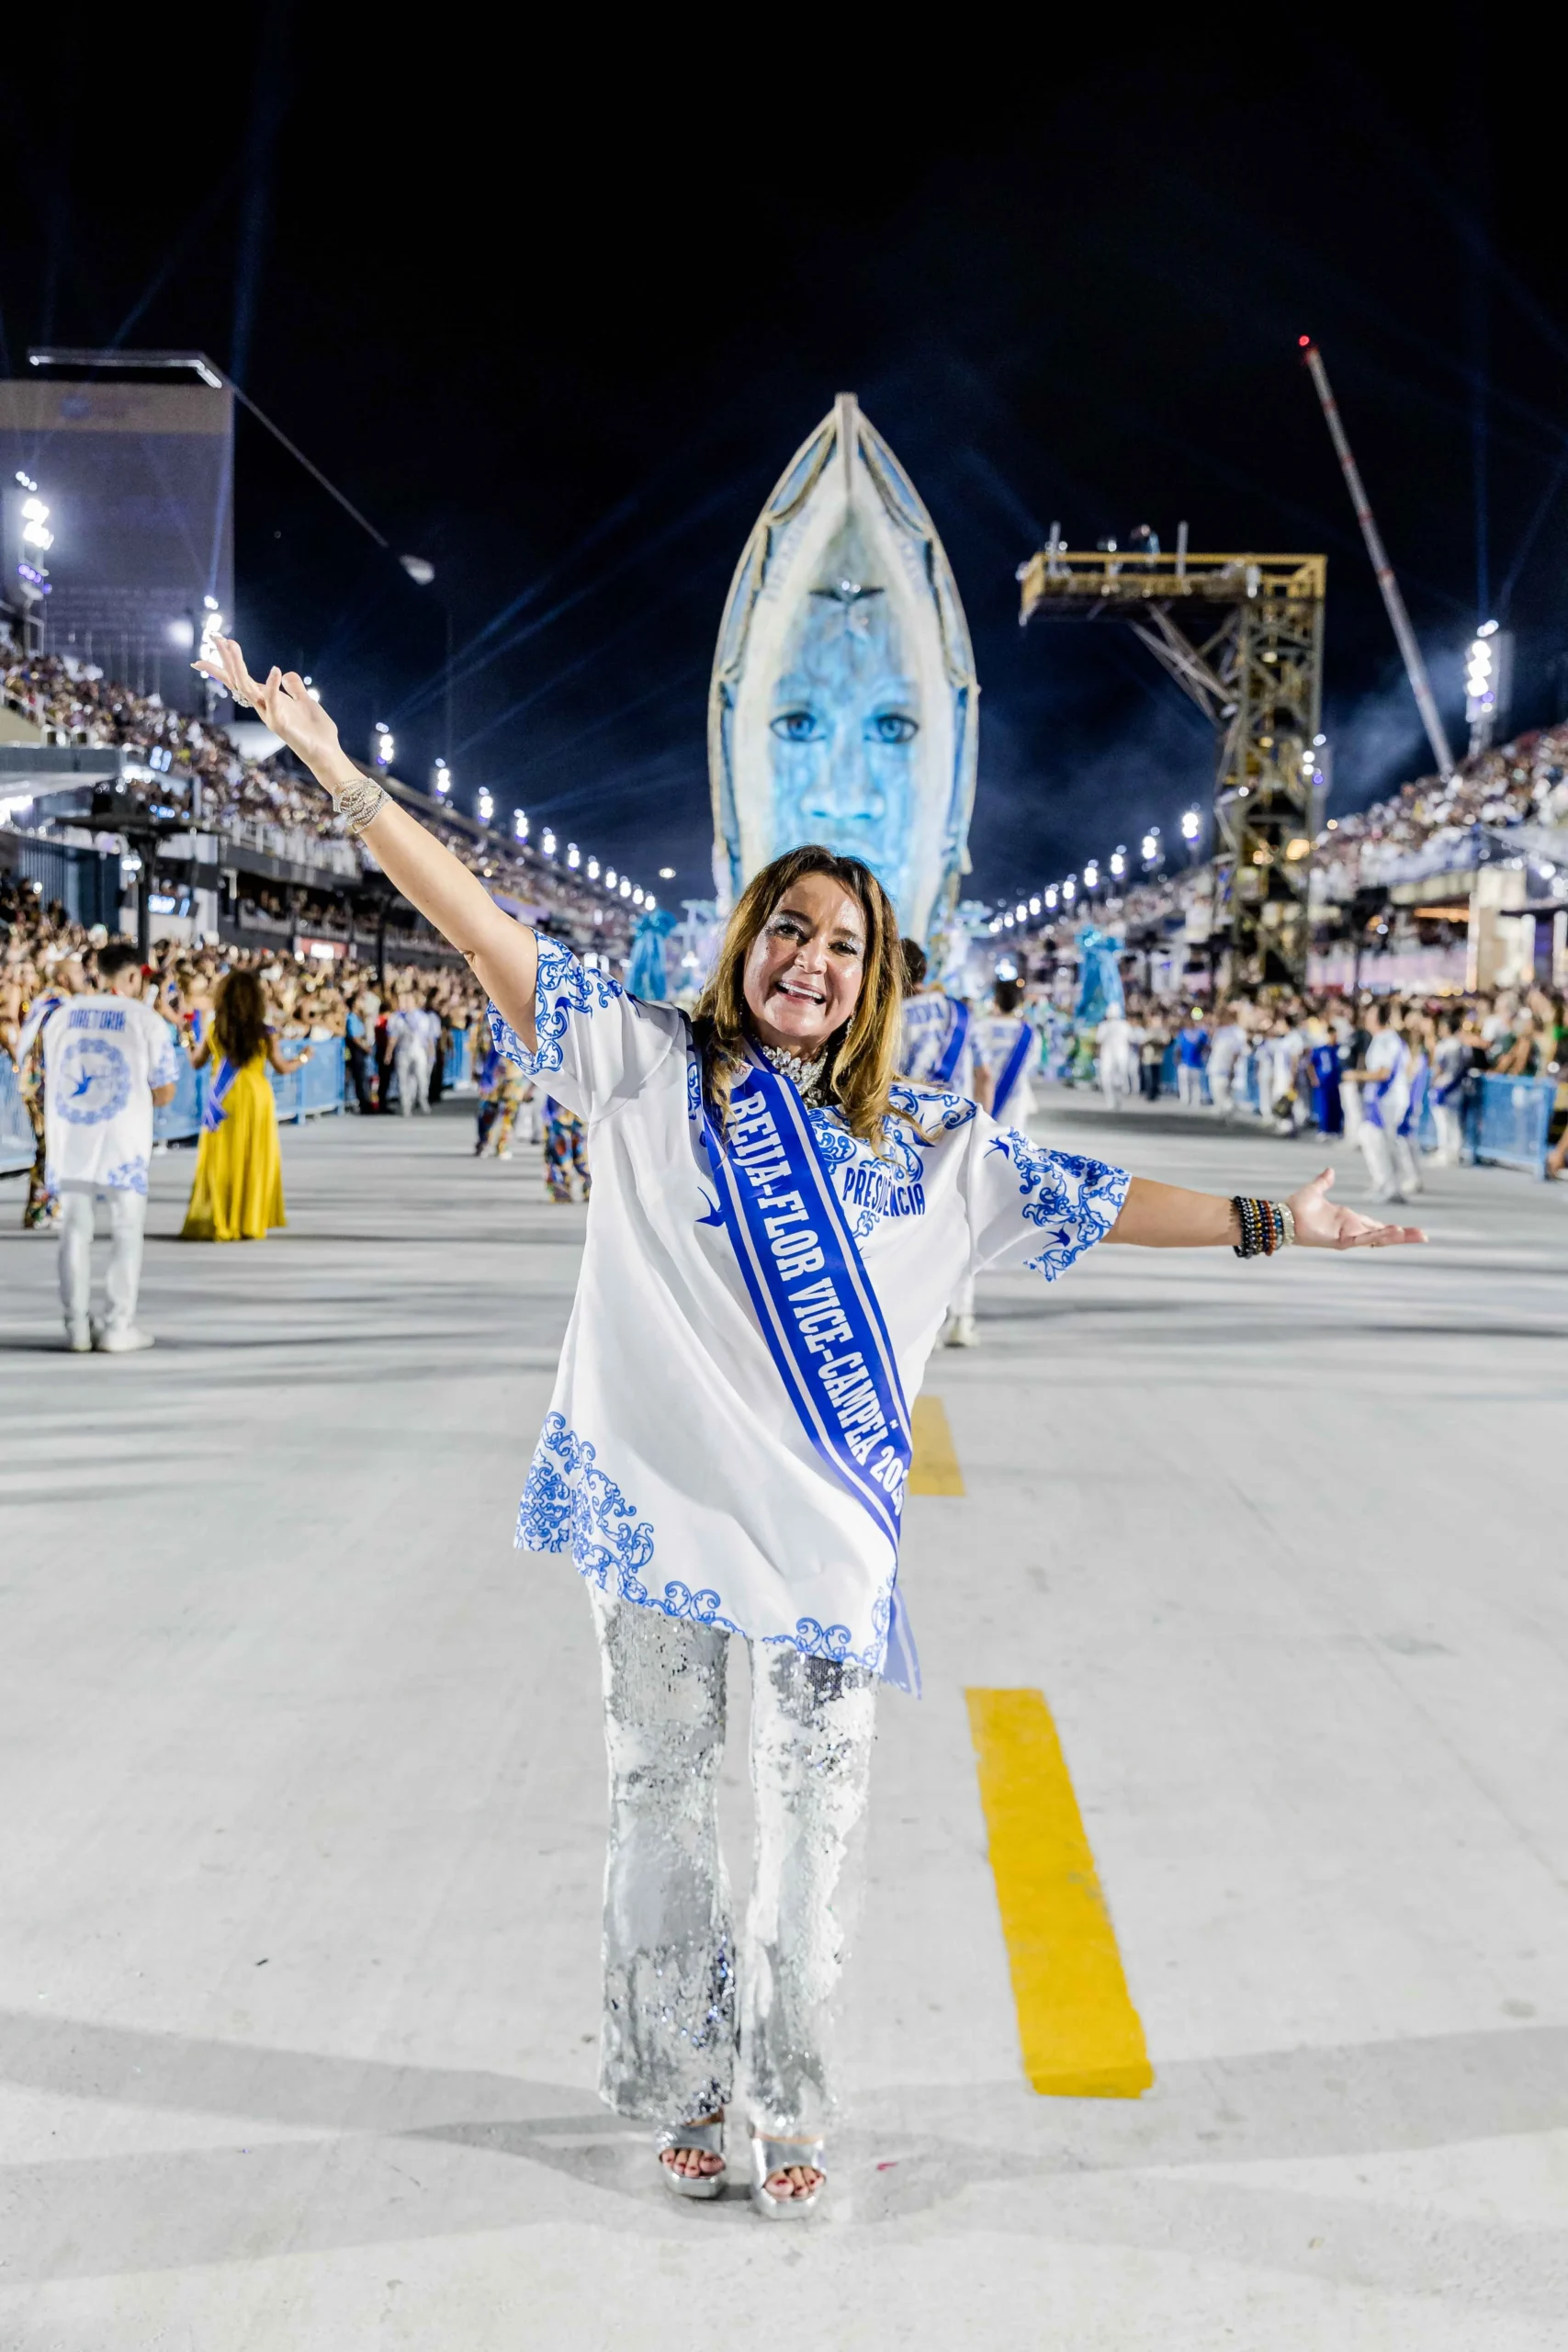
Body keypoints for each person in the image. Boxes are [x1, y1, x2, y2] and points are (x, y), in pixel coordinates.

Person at [197, 632, 1425, 2223]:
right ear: (746, 940)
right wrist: (335, 769)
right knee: (659, 1801)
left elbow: (1106, 1202)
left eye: (847, 944)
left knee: (809, 1820)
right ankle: (690, 2087)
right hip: (657, 1513)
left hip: (826, 1544)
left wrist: (1275, 1227)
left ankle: (788, 2095)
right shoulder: (643, 1071)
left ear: (878, 979)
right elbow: (479, 926)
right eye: (791, 927)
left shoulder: (933, 1144)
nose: (813, 960)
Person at [40, 942, 183, 1351]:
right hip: (124, 1142)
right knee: (125, 1232)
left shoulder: (61, 1017)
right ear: (135, 975)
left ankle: (77, 1326)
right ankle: (119, 1324)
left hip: (71, 1139)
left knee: (73, 1233)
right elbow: (166, 1090)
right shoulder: (145, 1020)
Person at [181, 967, 310, 1242]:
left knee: (222, 1159)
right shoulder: (265, 1032)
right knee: (253, 1156)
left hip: (225, 1097)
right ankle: (249, 1220)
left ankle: (222, 1218)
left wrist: (187, 1041)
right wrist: (304, 1058)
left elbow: (196, 1062)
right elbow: (283, 1067)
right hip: (256, 1099)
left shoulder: (216, 1028)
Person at [1430, 1006, 1472, 1165]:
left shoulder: (1453, 1046)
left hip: (1449, 1088)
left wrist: (1439, 1085)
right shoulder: (1452, 1045)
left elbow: (1449, 1070)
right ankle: (1450, 1151)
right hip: (1451, 1088)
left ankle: (1449, 1152)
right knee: (1450, 1122)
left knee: (1449, 1122)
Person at [1174, 1009, 1208, 1106]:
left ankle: (1196, 1100)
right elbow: (1178, 1048)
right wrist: (1177, 1059)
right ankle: (1185, 1099)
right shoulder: (1182, 1033)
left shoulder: (1201, 1034)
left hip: (1196, 1062)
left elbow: (1206, 1047)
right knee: (1184, 1082)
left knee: (1196, 1083)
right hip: (1184, 1062)